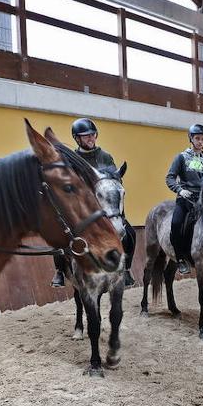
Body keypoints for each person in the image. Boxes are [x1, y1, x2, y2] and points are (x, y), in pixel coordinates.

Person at [51, 117, 136, 288]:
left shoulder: (105, 157)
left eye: (92, 135)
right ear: (77, 138)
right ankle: (59, 271)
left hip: (105, 206)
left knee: (130, 233)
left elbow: (115, 182)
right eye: (86, 136)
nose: (90, 138)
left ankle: (126, 269)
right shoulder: (72, 158)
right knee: (59, 234)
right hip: (82, 208)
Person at [164, 124, 203, 275]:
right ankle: (180, 259)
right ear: (191, 139)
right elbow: (170, 178)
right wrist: (180, 189)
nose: (200, 141)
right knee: (176, 223)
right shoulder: (181, 157)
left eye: (202, 139)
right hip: (186, 198)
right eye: (197, 138)